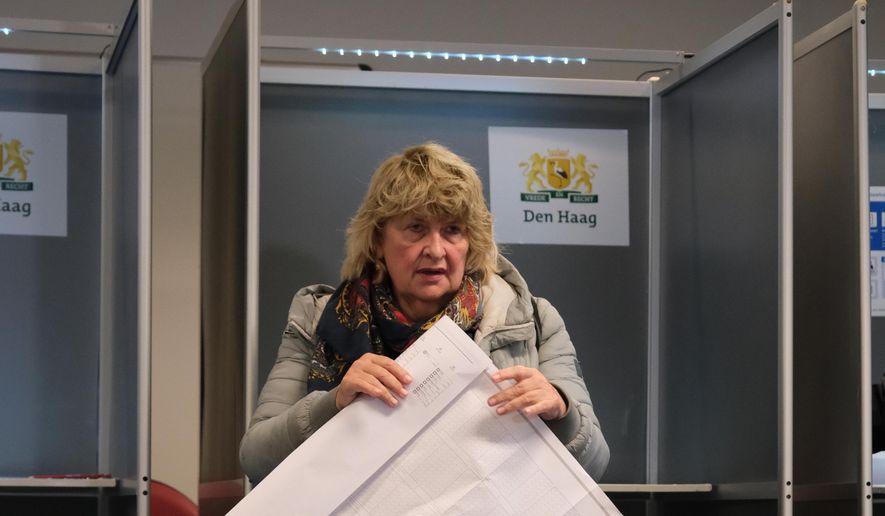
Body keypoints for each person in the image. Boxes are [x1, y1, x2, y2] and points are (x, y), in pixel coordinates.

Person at [239, 142, 610, 484]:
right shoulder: (318, 317)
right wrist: (332, 403)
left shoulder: (532, 320)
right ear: (379, 240)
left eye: (452, 231)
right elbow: (256, 457)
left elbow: (594, 464)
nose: (435, 249)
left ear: (471, 242)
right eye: (416, 228)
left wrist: (561, 411)